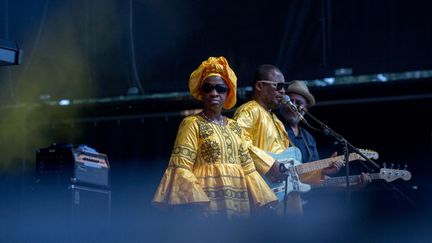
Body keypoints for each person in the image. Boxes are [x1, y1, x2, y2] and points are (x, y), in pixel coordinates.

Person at [152, 56, 277, 218]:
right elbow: (181, 166)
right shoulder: (192, 123)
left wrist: (263, 200)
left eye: (221, 89)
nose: (214, 93)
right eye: (208, 88)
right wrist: (196, 203)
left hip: (239, 201)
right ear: (201, 92)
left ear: (228, 93)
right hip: (206, 203)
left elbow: (248, 169)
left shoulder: (234, 126)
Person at [233, 65, 342, 215]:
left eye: (284, 87)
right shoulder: (249, 111)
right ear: (259, 86)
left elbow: (289, 167)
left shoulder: (276, 122)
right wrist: (271, 164)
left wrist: (320, 171)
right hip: (260, 198)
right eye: (279, 86)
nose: (283, 91)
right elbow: (237, 143)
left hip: (284, 199)